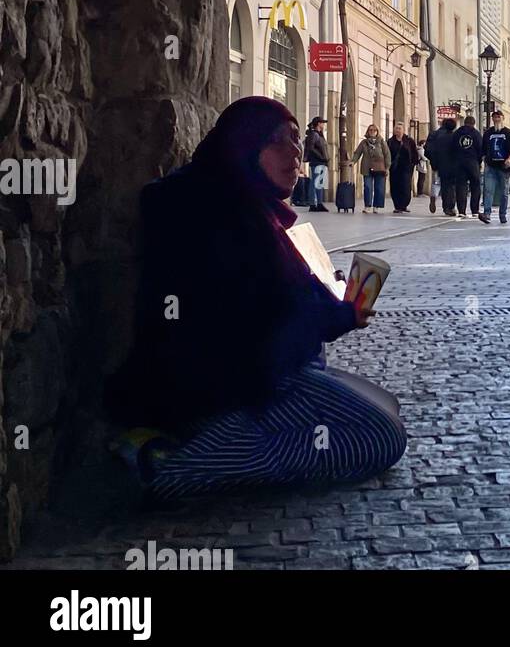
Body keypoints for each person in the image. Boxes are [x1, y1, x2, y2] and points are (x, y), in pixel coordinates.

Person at [107, 97, 405, 499]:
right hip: (231, 387)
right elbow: (254, 321)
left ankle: (223, 440)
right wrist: (338, 316)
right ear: (244, 147)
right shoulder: (219, 215)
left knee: (387, 405)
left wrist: (332, 303)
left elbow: (281, 295)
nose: (296, 151)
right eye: (278, 140)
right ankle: (171, 466)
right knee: (380, 437)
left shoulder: (253, 208)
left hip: (270, 373)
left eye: (297, 139)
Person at [480, 109, 510, 225]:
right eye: (494, 117)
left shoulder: (508, 133)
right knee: (488, 190)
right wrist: (483, 160)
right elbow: (484, 149)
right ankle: (487, 214)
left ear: (502, 118)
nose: (496, 119)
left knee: (503, 192)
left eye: (498, 117)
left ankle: (503, 214)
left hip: (504, 167)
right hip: (491, 166)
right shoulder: (488, 133)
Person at [447, 114, 484, 219]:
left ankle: (462, 211)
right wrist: (479, 161)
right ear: (474, 123)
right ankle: (475, 210)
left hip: (459, 163)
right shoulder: (476, 134)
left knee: (461, 186)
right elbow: (481, 149)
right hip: (473, 162)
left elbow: (452, 148)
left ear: (464, 122)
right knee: (475, 186)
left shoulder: (457, 133)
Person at [350, 124, 390, 213]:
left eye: (374, 130)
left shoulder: (381, 142)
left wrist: (387, 167)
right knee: (367, 187)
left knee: (379, 187)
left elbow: (387, 155)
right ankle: (367, 205)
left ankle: (376, 206)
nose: (372, 132)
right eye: (370, 130)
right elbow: (357, 153)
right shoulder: (364, 142)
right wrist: (353, 161)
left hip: (379, 168)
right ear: (368, 131)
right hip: (367, 167)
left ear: (377, 132)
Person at [425, 115, 458, 215]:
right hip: (451, 165)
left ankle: (433, 196)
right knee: (449, 186)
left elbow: (427, 149)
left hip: (437, 163)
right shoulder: (452, 136)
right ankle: (449, 207)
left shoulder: (434, 134)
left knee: (436, 182)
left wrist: (433, 161)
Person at [303, 117, 330, 212]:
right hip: (317, 161)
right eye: (322, 123)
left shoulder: (319, 134)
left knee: (319, 183)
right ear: (319, 124)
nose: (323, 125)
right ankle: (313, 203)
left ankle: (319, 203)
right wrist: (321, 157)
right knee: (315, 183)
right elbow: (311, 148)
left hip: (321, 162)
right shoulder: (314, 134)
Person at [387, 122, 415, 214]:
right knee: (395, 186)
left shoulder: (409, 141)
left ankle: (404, 205)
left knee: (406, 186)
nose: (397, 130)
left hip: (406, 168)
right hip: (395, 168)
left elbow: (414, 153)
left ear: (403, 130)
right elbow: (387, 154)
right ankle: (397, 206)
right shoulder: (390, 141)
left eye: (399, 128)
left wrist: (413, 164)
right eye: (396, 128)